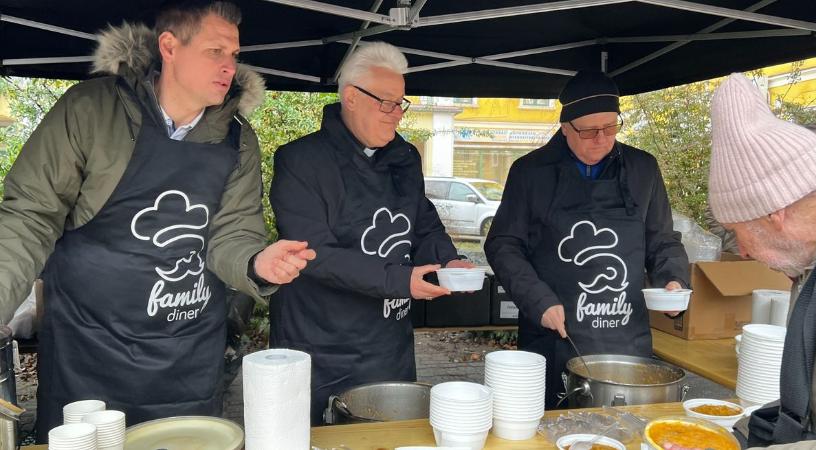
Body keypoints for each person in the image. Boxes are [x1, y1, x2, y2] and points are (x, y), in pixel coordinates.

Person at [0, 1, 316, 441]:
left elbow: (233, 234)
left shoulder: (238, 139)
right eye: (215, 52)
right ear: (169, 47)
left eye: (234, 54)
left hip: (187, 358)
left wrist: (256, 264)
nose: (229, 66)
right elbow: (29, 218)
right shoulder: (91, 112)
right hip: (88, 354)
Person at [268, 41, 472, 425]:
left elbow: (423, 223)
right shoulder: (300, 161)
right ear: (351, 97)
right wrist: (401, 280)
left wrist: (448, 260)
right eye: (387, 103)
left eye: (401, 104)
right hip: (322, 345)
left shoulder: (404, 158)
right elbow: (313, 252)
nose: (397, 115)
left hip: (389, 342)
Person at [484, 70, 690, 409]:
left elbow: (662, 240)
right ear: (565, 127)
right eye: (590, 130)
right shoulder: (530, 172)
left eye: (610, 127)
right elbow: (503, 244)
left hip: (625, 336)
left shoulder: (643, 169)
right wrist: (537, 300)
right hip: (555, 335)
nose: (602, 139)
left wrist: (673, 280)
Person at [703, 73, 816, 449]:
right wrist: (737, 438)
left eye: (739, 231)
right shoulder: (809, 268)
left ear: (775, 214)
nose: (742, 251)